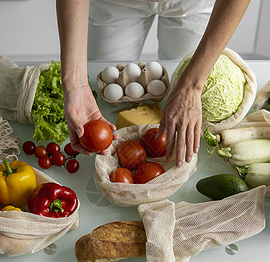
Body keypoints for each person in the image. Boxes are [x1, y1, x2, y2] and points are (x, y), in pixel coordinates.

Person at [56, 0, 250, 166]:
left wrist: (192, 86)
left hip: (192, 4)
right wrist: (76, 84)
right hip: (117, 3)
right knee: (104, 68)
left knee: (185, 73)